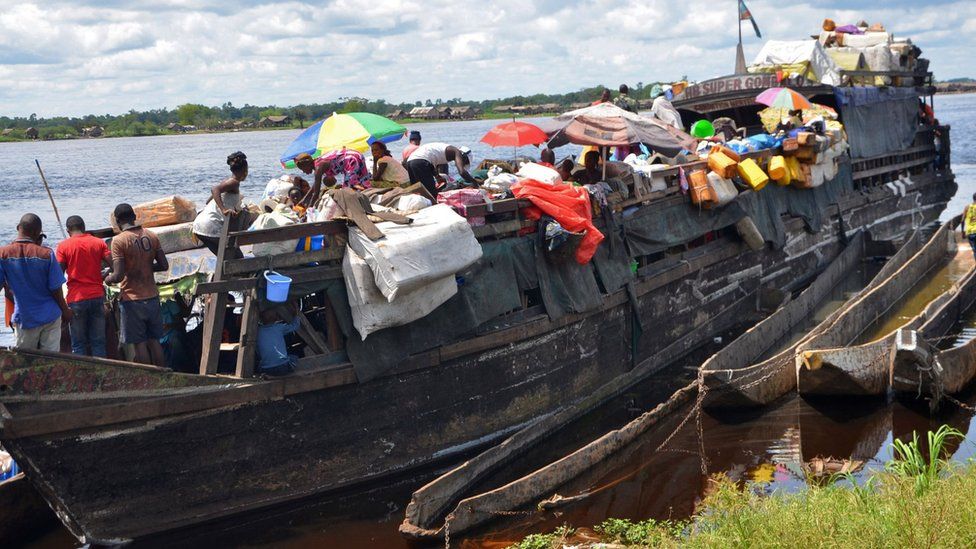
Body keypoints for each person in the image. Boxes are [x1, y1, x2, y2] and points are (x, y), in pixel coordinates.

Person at [105, 203, 169, 367]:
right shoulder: (152, 236)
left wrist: (107, 278)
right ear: (134, 217)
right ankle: (163, 375)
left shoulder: (118, 241)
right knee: (155, 342)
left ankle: (149, 380)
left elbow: (118, 276)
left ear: (118, 222)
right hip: (152, 297)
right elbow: (163, 265)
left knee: (139, 344)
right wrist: (146, 266)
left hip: (132, 300)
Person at [0, 214, 70, 352]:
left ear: (18, 228)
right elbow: (56, 288)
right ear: (38, 233)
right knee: (51, 361)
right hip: (50, 316)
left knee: (25, 361)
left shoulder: (3, 254)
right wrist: (65, 310)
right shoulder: (46, 254)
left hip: (26, 318)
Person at [56, 215, 110, 357]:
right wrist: (102, 276)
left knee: (78, 344)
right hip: (97, 296)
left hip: (76, 299)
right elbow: (115, 265)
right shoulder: (98, 243)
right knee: (98, 342)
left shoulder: (63, 246)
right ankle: (101, 375)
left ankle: (81, 377)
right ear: (84, 228)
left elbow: (57, 276)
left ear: (68, 231)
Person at [193, 151, 248, 260]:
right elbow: (215, 189)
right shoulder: (234, 182)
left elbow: (210, 199)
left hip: (199, 226)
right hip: (210, 226)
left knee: (224, 258)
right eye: (247, 170)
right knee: (236, 257)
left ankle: (224, 276)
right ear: (244, 170)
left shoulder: (227, 182)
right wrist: (223, 209)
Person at [294, 148, 371, 205]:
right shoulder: (318, 163)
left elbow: (316, 193)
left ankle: (362, 202)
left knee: (348, 190)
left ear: (307, 164)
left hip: (350, 159)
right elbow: (314, 187)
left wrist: (309, 209)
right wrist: (303, 200)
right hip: (355, 155)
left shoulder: (318, 168)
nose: (304, 172)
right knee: (361, 181)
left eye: (303, 169)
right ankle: (367, 196)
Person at [406, 142, 476, 197]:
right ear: (463, 156)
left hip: (410, 162)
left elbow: (431, 164)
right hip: (420, 162)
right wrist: (475, 183)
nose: (462, 163)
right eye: (464, 162)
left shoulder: (444, 151)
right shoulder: (456, 152)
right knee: (432, 194)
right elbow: (462, 172)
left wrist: (437, 176)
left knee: (418, 192)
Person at [256, 302, 301, 376]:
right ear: (277, 317)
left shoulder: (258, 331)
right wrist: (296, 312)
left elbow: (258, 351)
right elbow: (295, 326)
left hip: (266, 369)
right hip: (283, 367)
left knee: (260, 363)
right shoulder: (279, 327)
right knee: (294, 357)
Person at [962, 193, 976, 259]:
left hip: (970, 232)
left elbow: (962, 221)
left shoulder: (967, 207)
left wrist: (962, 232)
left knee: (975, 251)